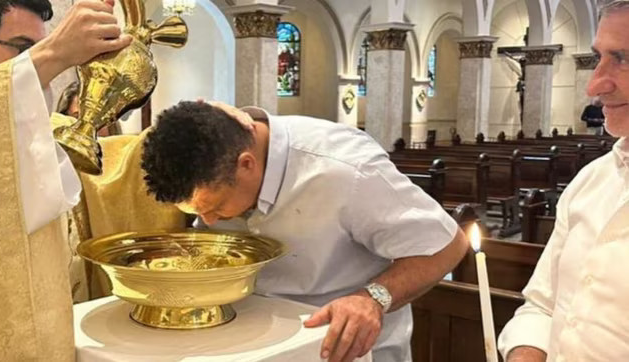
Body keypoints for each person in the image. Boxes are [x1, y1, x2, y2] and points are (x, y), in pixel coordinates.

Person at [141, 101, 468, 362]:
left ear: (246, 165)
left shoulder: (347, 170)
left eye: (215, 207)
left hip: (341, 350)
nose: (207, 222)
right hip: (251, 344)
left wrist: (372, 298)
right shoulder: (214, 146)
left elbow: (447, 244)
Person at [0, 0, 131, 360]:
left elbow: (113, 167)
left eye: (39, 45)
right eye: (22, 49)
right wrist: (51, 54)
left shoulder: (38, 125)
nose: (33, 65)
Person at [498, 1, 629, 361]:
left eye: (623, 58)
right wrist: (526, 352)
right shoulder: (592, 180)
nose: (594, 85)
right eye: (598, 57)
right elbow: (543, 304)